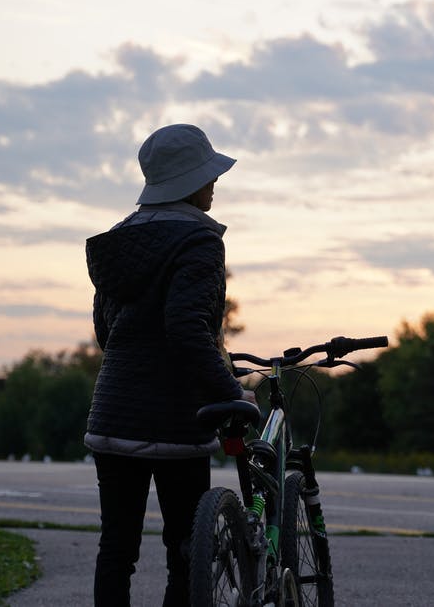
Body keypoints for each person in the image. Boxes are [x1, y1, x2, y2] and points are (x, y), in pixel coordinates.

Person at [84, 124, 254, 606]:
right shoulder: (198, 242)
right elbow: (187, 329)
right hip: (177, 420)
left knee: (116, 550)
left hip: (113, 413)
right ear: (188, 181)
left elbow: (106, 332)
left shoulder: (120, 242)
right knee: (186, 550)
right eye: (209, 174)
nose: (215, 182)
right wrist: (229, 391)